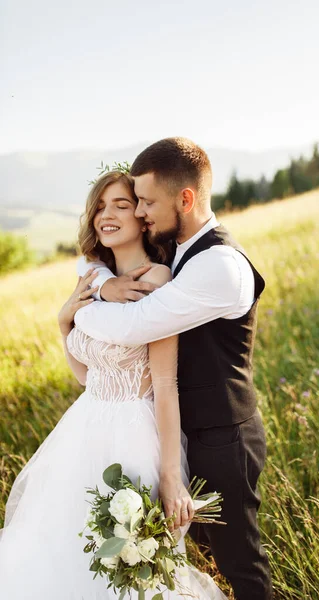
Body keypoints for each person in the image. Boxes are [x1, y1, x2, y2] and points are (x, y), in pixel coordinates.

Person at [0, 170, 227, 600]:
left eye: (121, 205)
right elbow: (90, 375)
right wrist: (63, 322)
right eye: (100, 207)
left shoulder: (157, 281)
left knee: (131, 563)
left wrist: (170, 477)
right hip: (85, 428)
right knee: (68, 552)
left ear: (143, 217)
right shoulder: (91, 281)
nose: (107, 215)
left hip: (134, 437)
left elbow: (164, 383)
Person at [76, 137, 274, 600]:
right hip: (185, 434)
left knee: (239, 561)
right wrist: (97, 285)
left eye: (146, 202)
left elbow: (134, 326)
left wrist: (80, 304)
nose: (141, 212)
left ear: (185, 199)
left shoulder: (221, 265)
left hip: (223, 438)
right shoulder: (175, 251)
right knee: (188, 553)